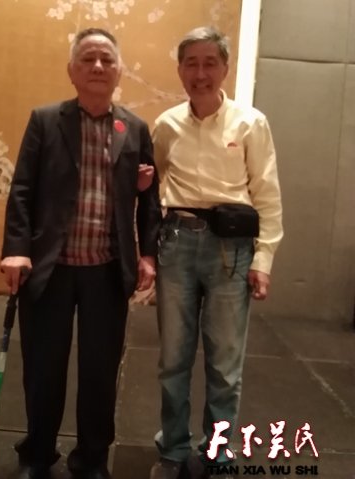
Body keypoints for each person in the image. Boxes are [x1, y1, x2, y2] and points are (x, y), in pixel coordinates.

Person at [0, 28, 161, 479]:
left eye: (107, 60)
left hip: (106, 270)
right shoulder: (45, 120)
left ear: (119, 71)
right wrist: (16, 250)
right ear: (71, 71)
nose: (97, 67)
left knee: (99, 373)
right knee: (43, 369)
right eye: (88, 59)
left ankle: (91, 459)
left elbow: (150, 199)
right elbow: (22, 190)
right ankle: (37, 454)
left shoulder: (134, 128)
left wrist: (148, 256)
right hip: (48, 268)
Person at [150, 26, 283, 479]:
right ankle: (173, 448)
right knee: (173, 358)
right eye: (191, 63)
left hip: (232, 250)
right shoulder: (166, 125)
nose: (201, 73)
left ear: (225, 68)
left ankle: (218, 451)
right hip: (176, 245)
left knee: (225, 362)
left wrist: (263, 259)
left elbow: (267, 194)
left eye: (210, 63)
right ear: (180, 70)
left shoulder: (250, 123)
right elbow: (152, 186)